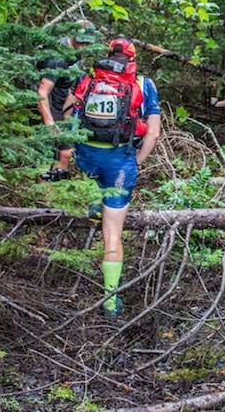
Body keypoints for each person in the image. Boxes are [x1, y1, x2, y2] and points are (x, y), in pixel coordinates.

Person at [59, 38, 162, 317]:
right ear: (133, 59)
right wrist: (136, 161)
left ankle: (95, 201)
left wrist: (71, 152)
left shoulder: (89, 77)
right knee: (113, 233)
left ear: (109, 54)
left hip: (86, 156)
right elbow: (152, 132)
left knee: (96, 183)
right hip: (118, 163)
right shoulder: (142, 84)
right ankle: (110, 300)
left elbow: (69, 114)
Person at [37, 20, 97, 182]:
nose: (83, 46)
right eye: (80, 41)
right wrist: (50, 123)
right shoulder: (58, 57)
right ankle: (45, 192)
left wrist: (66, 117)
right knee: (62, 152)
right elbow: (42, 91)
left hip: (59, 107)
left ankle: (52, 190)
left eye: (87, 43)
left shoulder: (77, 54)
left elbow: (67, 88)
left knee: (61, 152)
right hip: (46, 107)